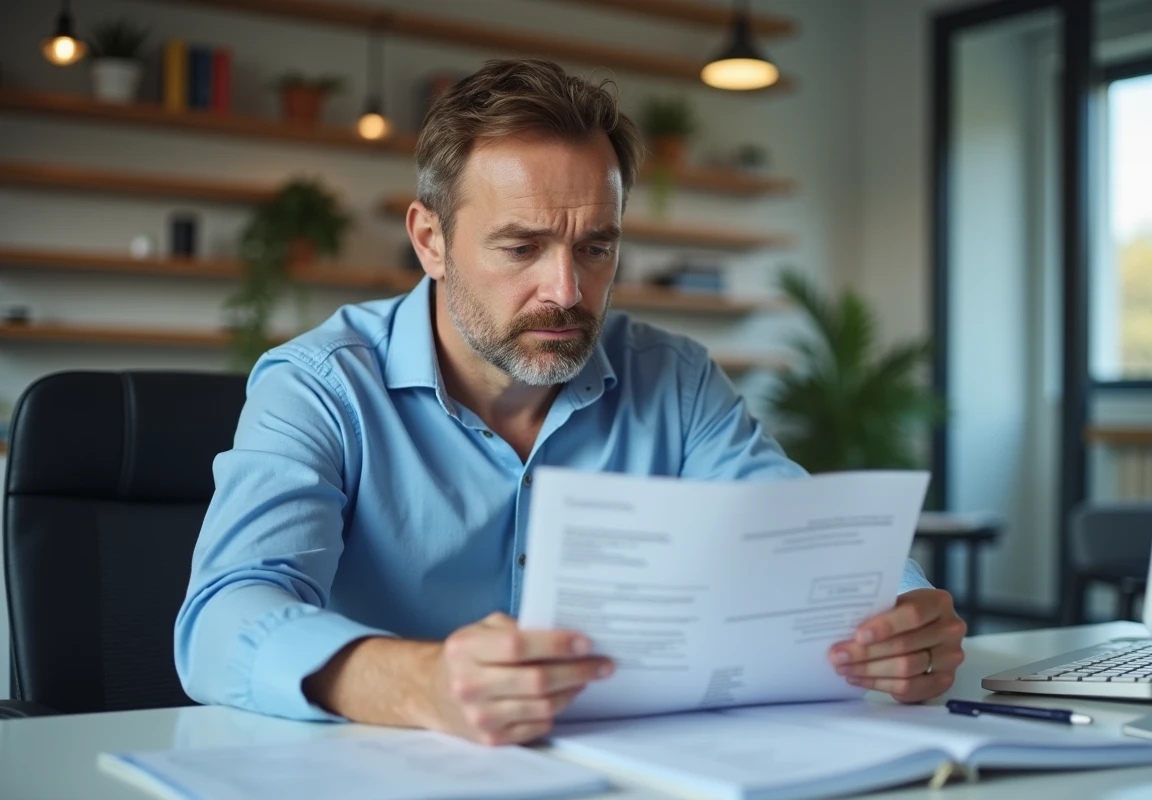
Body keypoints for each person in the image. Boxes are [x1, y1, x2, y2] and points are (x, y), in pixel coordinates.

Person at [175, 58, 966, 747]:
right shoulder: (318, 387)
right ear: (430, 240)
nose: (566, 290)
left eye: (596, 247)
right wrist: (420, 683)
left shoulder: (676, 379)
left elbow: (795, 538)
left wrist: (899, 614)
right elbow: (221, 622)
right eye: (522, 247)